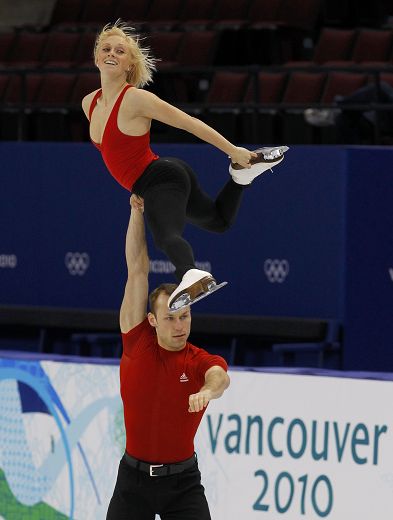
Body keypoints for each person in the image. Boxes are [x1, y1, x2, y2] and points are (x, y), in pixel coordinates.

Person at [82, 20, 288, 311]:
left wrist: (234, 151)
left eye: (121, 50)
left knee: (165, 236)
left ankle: (191, 275)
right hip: (157, 179)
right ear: (96, 57)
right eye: (106, 48)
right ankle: (241, 178)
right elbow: (117, 156)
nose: (112, 53)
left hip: (159, 179)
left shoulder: (137, 99)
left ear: (130, 64)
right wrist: (132, 186)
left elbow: (189, 123)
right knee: (218, 221)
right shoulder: (88, 103)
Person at [106, 195, 230, 519]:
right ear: (152, 321)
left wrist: (207, 391)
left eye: (185, 316)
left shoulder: (197, 358)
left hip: (184, 485)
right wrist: (136, 211)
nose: (179, 326)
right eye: (171, 318)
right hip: (132, 484)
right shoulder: (137, 342)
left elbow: (220, 376)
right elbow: (136, 269)